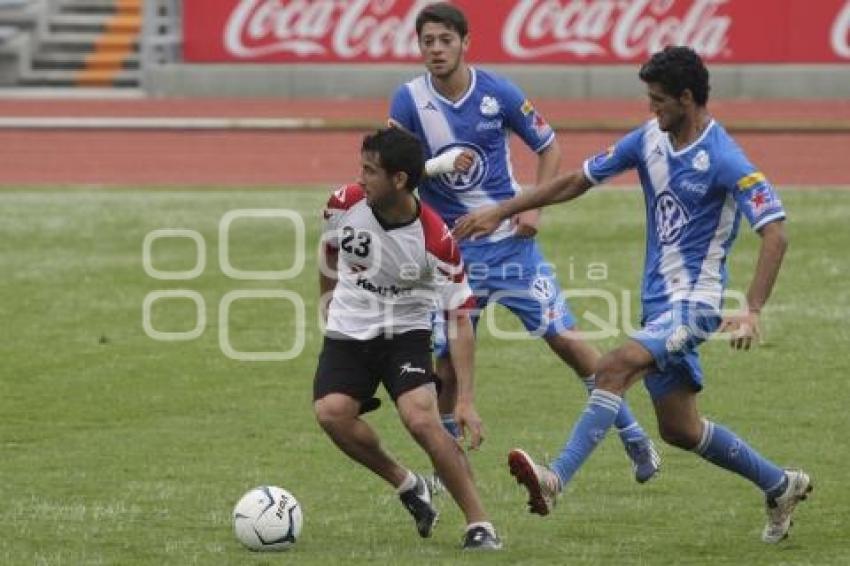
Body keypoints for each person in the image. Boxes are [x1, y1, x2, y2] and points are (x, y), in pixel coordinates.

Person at [453, 46, 812, 542]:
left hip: (697, 305)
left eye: (659, 101)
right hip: (659, 306)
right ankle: (780, 483)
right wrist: (504, 209)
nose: (652, 109)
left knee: (613, 366)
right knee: (680, 430)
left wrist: (751, 310)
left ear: (687, 99)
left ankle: (555, 478)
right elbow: (577, 180)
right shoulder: (648, 140)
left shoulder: (724, 157)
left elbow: (776, 231)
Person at [387, 1, 659, 487]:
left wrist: (533, 208)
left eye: (445, 40)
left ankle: (635, 437)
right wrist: (432, 170)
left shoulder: (498, 93)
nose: (436, 50)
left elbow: (549, 146)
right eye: (427, 41)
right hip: (450, 255)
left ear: (465, 43)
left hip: (511, 248)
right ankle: (448, 467)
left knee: (568, 344)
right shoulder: (407, 100)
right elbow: (395, 171)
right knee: (445, 364)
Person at [314, 127, 502, 550]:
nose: (360, 179)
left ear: (399, 180)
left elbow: (459, 318)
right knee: (331, 414)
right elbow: (328, 254)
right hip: (349, 327)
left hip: (405, 331)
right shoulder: (343, 205)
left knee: (420, 418)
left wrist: (466, 399)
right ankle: (409, 485)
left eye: (371, 171)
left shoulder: (436, 242)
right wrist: (327, 309)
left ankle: (480, 524)